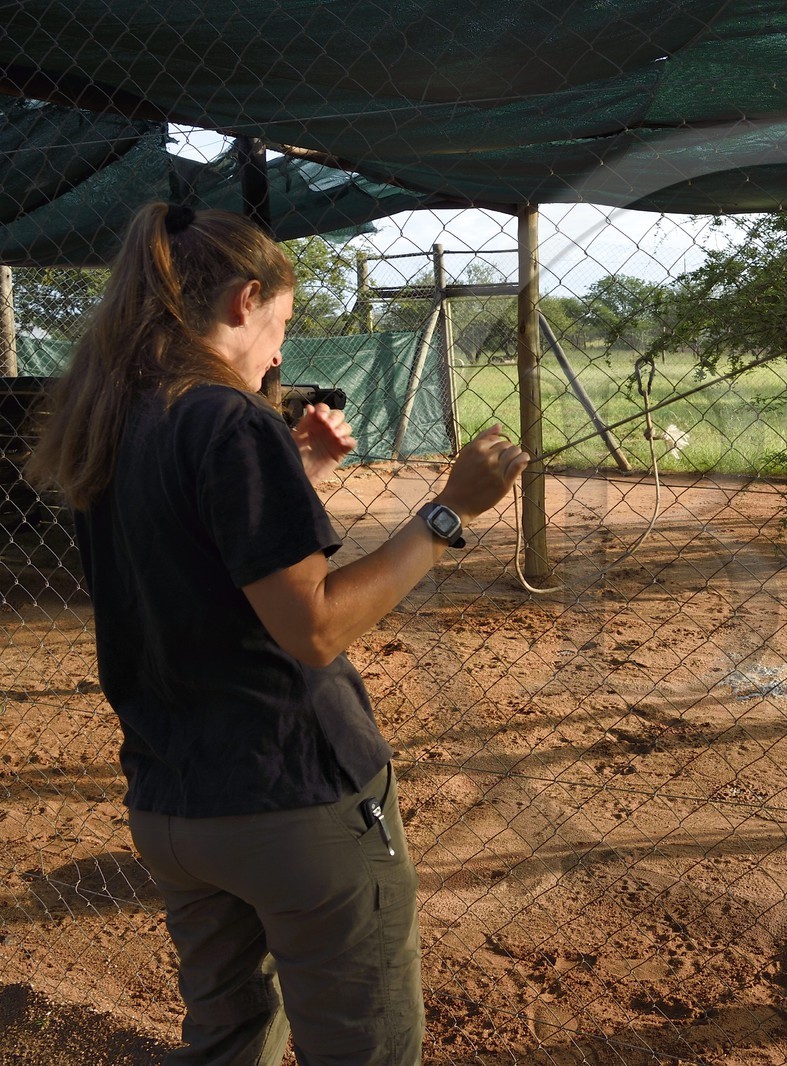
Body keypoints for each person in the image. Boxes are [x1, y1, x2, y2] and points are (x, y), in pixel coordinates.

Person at [25, 202, 530, 1065]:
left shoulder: (113, 414)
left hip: (174, 803)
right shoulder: (228, 418)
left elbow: (192, 556)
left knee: (228, 1041)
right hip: (289, 801)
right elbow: (316, 627)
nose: (281, 352)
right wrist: (448, 512)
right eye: (282, 323)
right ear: (241, 300)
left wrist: (297, 473)